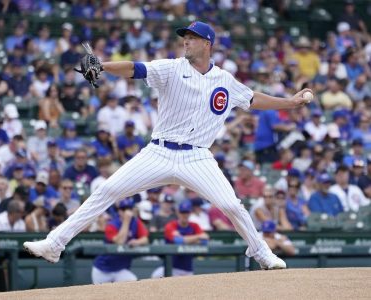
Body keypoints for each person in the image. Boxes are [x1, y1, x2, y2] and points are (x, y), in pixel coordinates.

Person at [24, 21, 313, 269]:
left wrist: (290, 102)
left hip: (197, 157)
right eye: (184, 37)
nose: (185, 41)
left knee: (231, 205)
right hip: (159, 151)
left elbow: (252, 99)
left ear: (207, 44)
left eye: (192, 37)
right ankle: (54, 243)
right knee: (107, 189)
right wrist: (103, 66)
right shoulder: (171, 68)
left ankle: (262, 253)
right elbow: (135, 68)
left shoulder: (224, 79)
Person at [91, 198, 148, 284]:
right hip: (103, 269)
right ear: (119, 211)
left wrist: (137, 242)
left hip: (120, 269)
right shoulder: (112, 225)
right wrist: (126, 221)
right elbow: (120, 241)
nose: (127, 212)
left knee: (133, 282)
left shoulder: (136, 222)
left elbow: (145, 239)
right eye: (124, 209)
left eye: (129, 208)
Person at [151, 200, 209, 278]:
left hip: (187, 269)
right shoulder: (171, 225)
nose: (184, 215)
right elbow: (178, 241)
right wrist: (197, 237)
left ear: (190, 213)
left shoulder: (194, 226)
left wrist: (184, 238)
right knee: (155, 276)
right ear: (178, 212)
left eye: (187, 212)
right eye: (182, 212)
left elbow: (205, 240)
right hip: (170, 267)